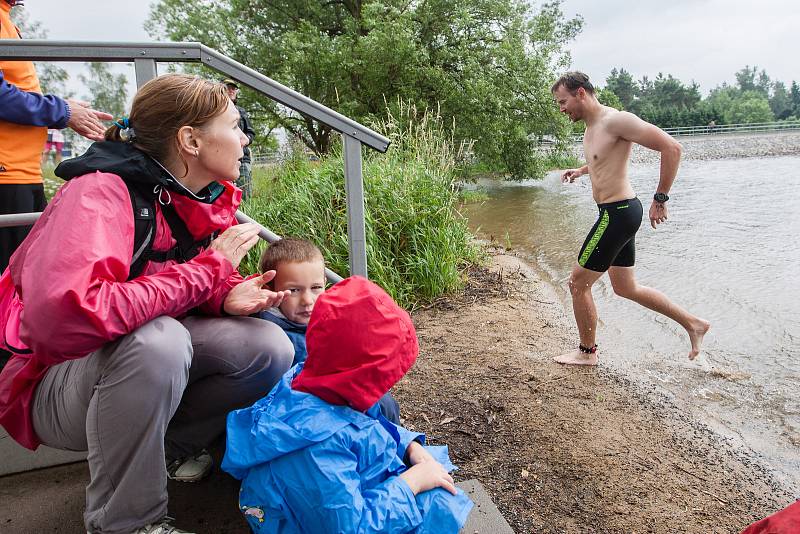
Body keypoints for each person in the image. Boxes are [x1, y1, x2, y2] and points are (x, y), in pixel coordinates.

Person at [0, 74, 296, 534]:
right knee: (161, 341)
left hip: (120, 368)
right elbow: (65, 318)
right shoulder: (98, 193)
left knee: (266, 347)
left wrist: (224, 296)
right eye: (235, 126)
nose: (243, 139)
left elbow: (167, 281)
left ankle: (173, 450)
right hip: (51, 383)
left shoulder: (184, 196)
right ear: (190, 139)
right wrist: (208, 273)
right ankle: (126, 523)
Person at [222, 276, 474, 534]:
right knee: (438, 505)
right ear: (359, 375)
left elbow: (370, 424)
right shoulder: (320, 449)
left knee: (436, 485)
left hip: (326, 493)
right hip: (319, 518)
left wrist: (408, 446)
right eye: (382, 377)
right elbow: (350, 529)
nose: (387, 386)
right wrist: (411, 484)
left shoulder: (314, 379)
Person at [550, 71, 710, 366]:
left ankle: (587, 353)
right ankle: (693, 324)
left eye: (563, 102)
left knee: (577, 283)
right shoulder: (592, 126)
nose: (562, 109)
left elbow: (672, 148)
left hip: (618, 214)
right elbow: (603, 158)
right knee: (625, 288)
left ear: (581, 93)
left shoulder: (617, 120)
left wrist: (660, 198)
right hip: (617, 212)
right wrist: (582, 171)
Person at [0, 0, 112, 272]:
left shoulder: (6, 17)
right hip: (6, 176)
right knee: (12, 281)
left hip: (22, 173)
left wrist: (64, 110)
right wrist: (61, 111)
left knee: (24, 278)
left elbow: (15, 91)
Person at [255, 237, 402, 423]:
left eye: (316, 287)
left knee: (383, 402)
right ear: (270, 288)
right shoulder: (269, 334)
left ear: (325, 282)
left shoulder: (332, 322)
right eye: (294, 290)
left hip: (340, 408)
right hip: (303, 416)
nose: (307, 300)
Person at [223, 78, 256, 200]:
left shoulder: (241, 111)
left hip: (242, 159)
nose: (231, 90)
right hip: (221, 160)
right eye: (228, 87)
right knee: (225, 196)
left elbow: (251, 133)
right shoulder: (214, 110)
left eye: (233, 88)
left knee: (244, 196)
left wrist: (245, 140)